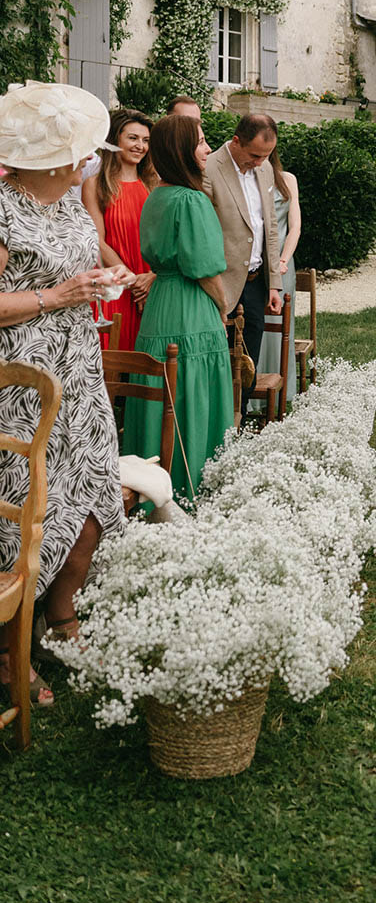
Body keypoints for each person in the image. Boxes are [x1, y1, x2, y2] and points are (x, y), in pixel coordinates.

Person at [0, 81, 132, 705]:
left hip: (80, 374)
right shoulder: (3, 209)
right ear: (53, 158)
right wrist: (55, 297)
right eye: (84, 150)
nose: (93, 158)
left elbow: (77, 268)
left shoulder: (72, 207)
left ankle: (63, 619)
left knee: (92, 498)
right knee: (27, 511)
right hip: (22, 386)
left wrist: (108, 278)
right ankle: (8, 652)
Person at [123, 115, 233, 500]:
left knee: (161, 390)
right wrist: (223, 308)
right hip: (190, 307)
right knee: (191, 391)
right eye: (201, 142)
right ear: (181, 151)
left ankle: (151, 486)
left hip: (159, 308)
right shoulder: (191, 200)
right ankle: (192, 488)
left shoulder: (155, 195)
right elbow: (204, 269)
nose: (206, 149)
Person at [202, 114, 282, 415]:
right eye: (254, 155)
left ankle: (240, 422)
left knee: (249, 364)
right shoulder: (210, 167)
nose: (260, 162)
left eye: (266, 156)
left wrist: (274, 282)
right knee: (219, 364)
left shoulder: (265, 171)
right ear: (236, 142)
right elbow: (205, 231)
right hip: (220, 283)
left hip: (256, 283)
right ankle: (216, 426)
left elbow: (269, 228)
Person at [83, 108, 156, 350]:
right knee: (112, 364)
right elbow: (98, 240)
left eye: (145, 140)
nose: (140, 146)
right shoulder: (95, 184)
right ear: (115, 141)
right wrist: (130, 280)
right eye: (133, 138)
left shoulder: (153, 185)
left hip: (150, 287)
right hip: (115, 285)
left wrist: (150, 279)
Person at [258, 144, 301, 402]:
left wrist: (282, 260)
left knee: (278, 328)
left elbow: (294, 226)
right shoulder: (247, 178)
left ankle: (280, 392)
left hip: (282, 265)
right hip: (252, 265)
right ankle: (252, 391)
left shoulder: (287, 180)